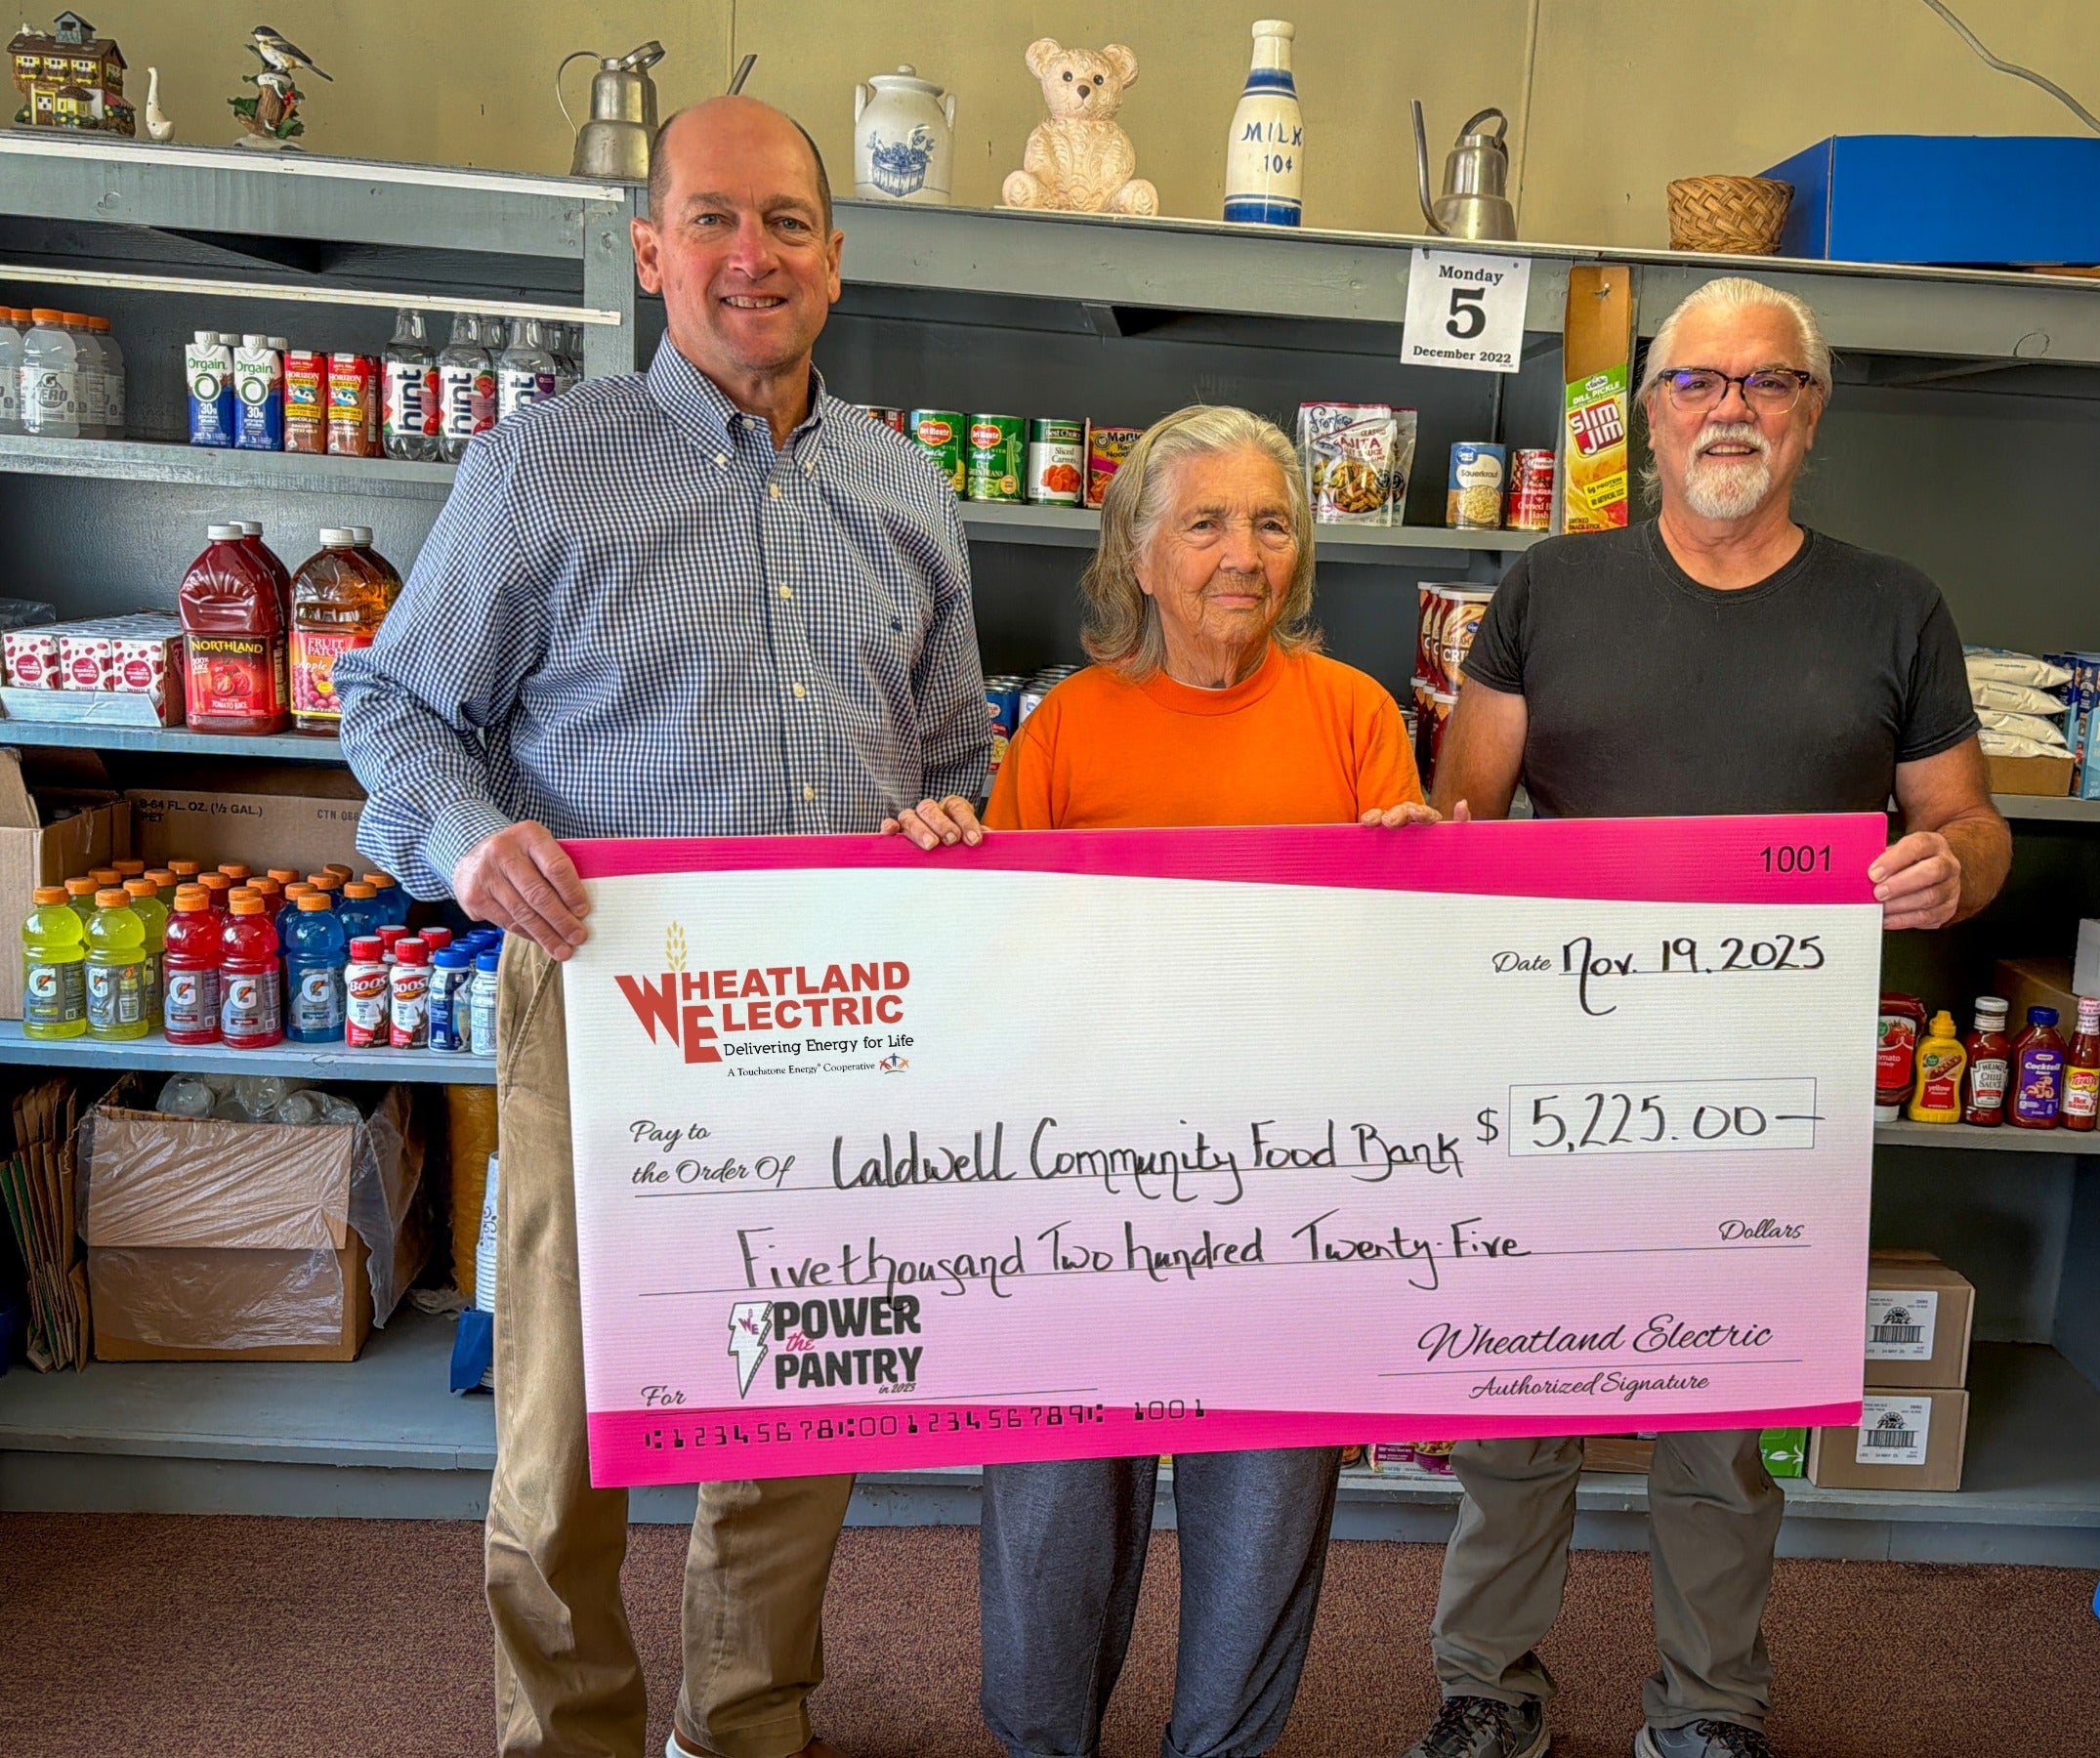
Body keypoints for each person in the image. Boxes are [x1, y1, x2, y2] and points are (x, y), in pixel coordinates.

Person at [336, 96, 991, 1758]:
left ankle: (744, 1724)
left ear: (835, 262)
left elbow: (953, 757)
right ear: (651, 251)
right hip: (609, 1000)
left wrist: (944, 820)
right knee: (566, 1427)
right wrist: (474, 836)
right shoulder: (540, 469)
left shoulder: (907, 489)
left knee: (795, 1394)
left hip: (841, 1008)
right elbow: (397, 703)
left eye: (783, 223)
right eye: (710, 219)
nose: (748, 255)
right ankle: (568, 1737)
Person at [1396, 276, 2012, 1758]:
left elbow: (1973, 826)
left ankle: (1710, 1710)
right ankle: (1488, 1689)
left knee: (1723, 1432)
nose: (1730, 407)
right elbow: (1464, 810)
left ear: (1811, 417)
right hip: (1553, 1067)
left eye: (1768, 384)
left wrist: (1953, 868)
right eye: (1698, 382)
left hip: (1765, 1088)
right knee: (1516, 1413)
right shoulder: (1550, 586)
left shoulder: (1894, 604)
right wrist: (1424, 839)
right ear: (1651, 413)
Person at [885, 403, 1438, 1758]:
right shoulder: (1069, 729)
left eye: (1270, 521)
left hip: (1293, 1197)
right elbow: (995, 980)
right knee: (1055, 1513)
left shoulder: (1359, 718)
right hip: (1087, 1192)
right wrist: (947, 864)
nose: (1243, 553)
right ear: (1138, 551)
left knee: (1264, 1526)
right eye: (1205, 521)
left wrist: (1425, 881)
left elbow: (1412, 986)